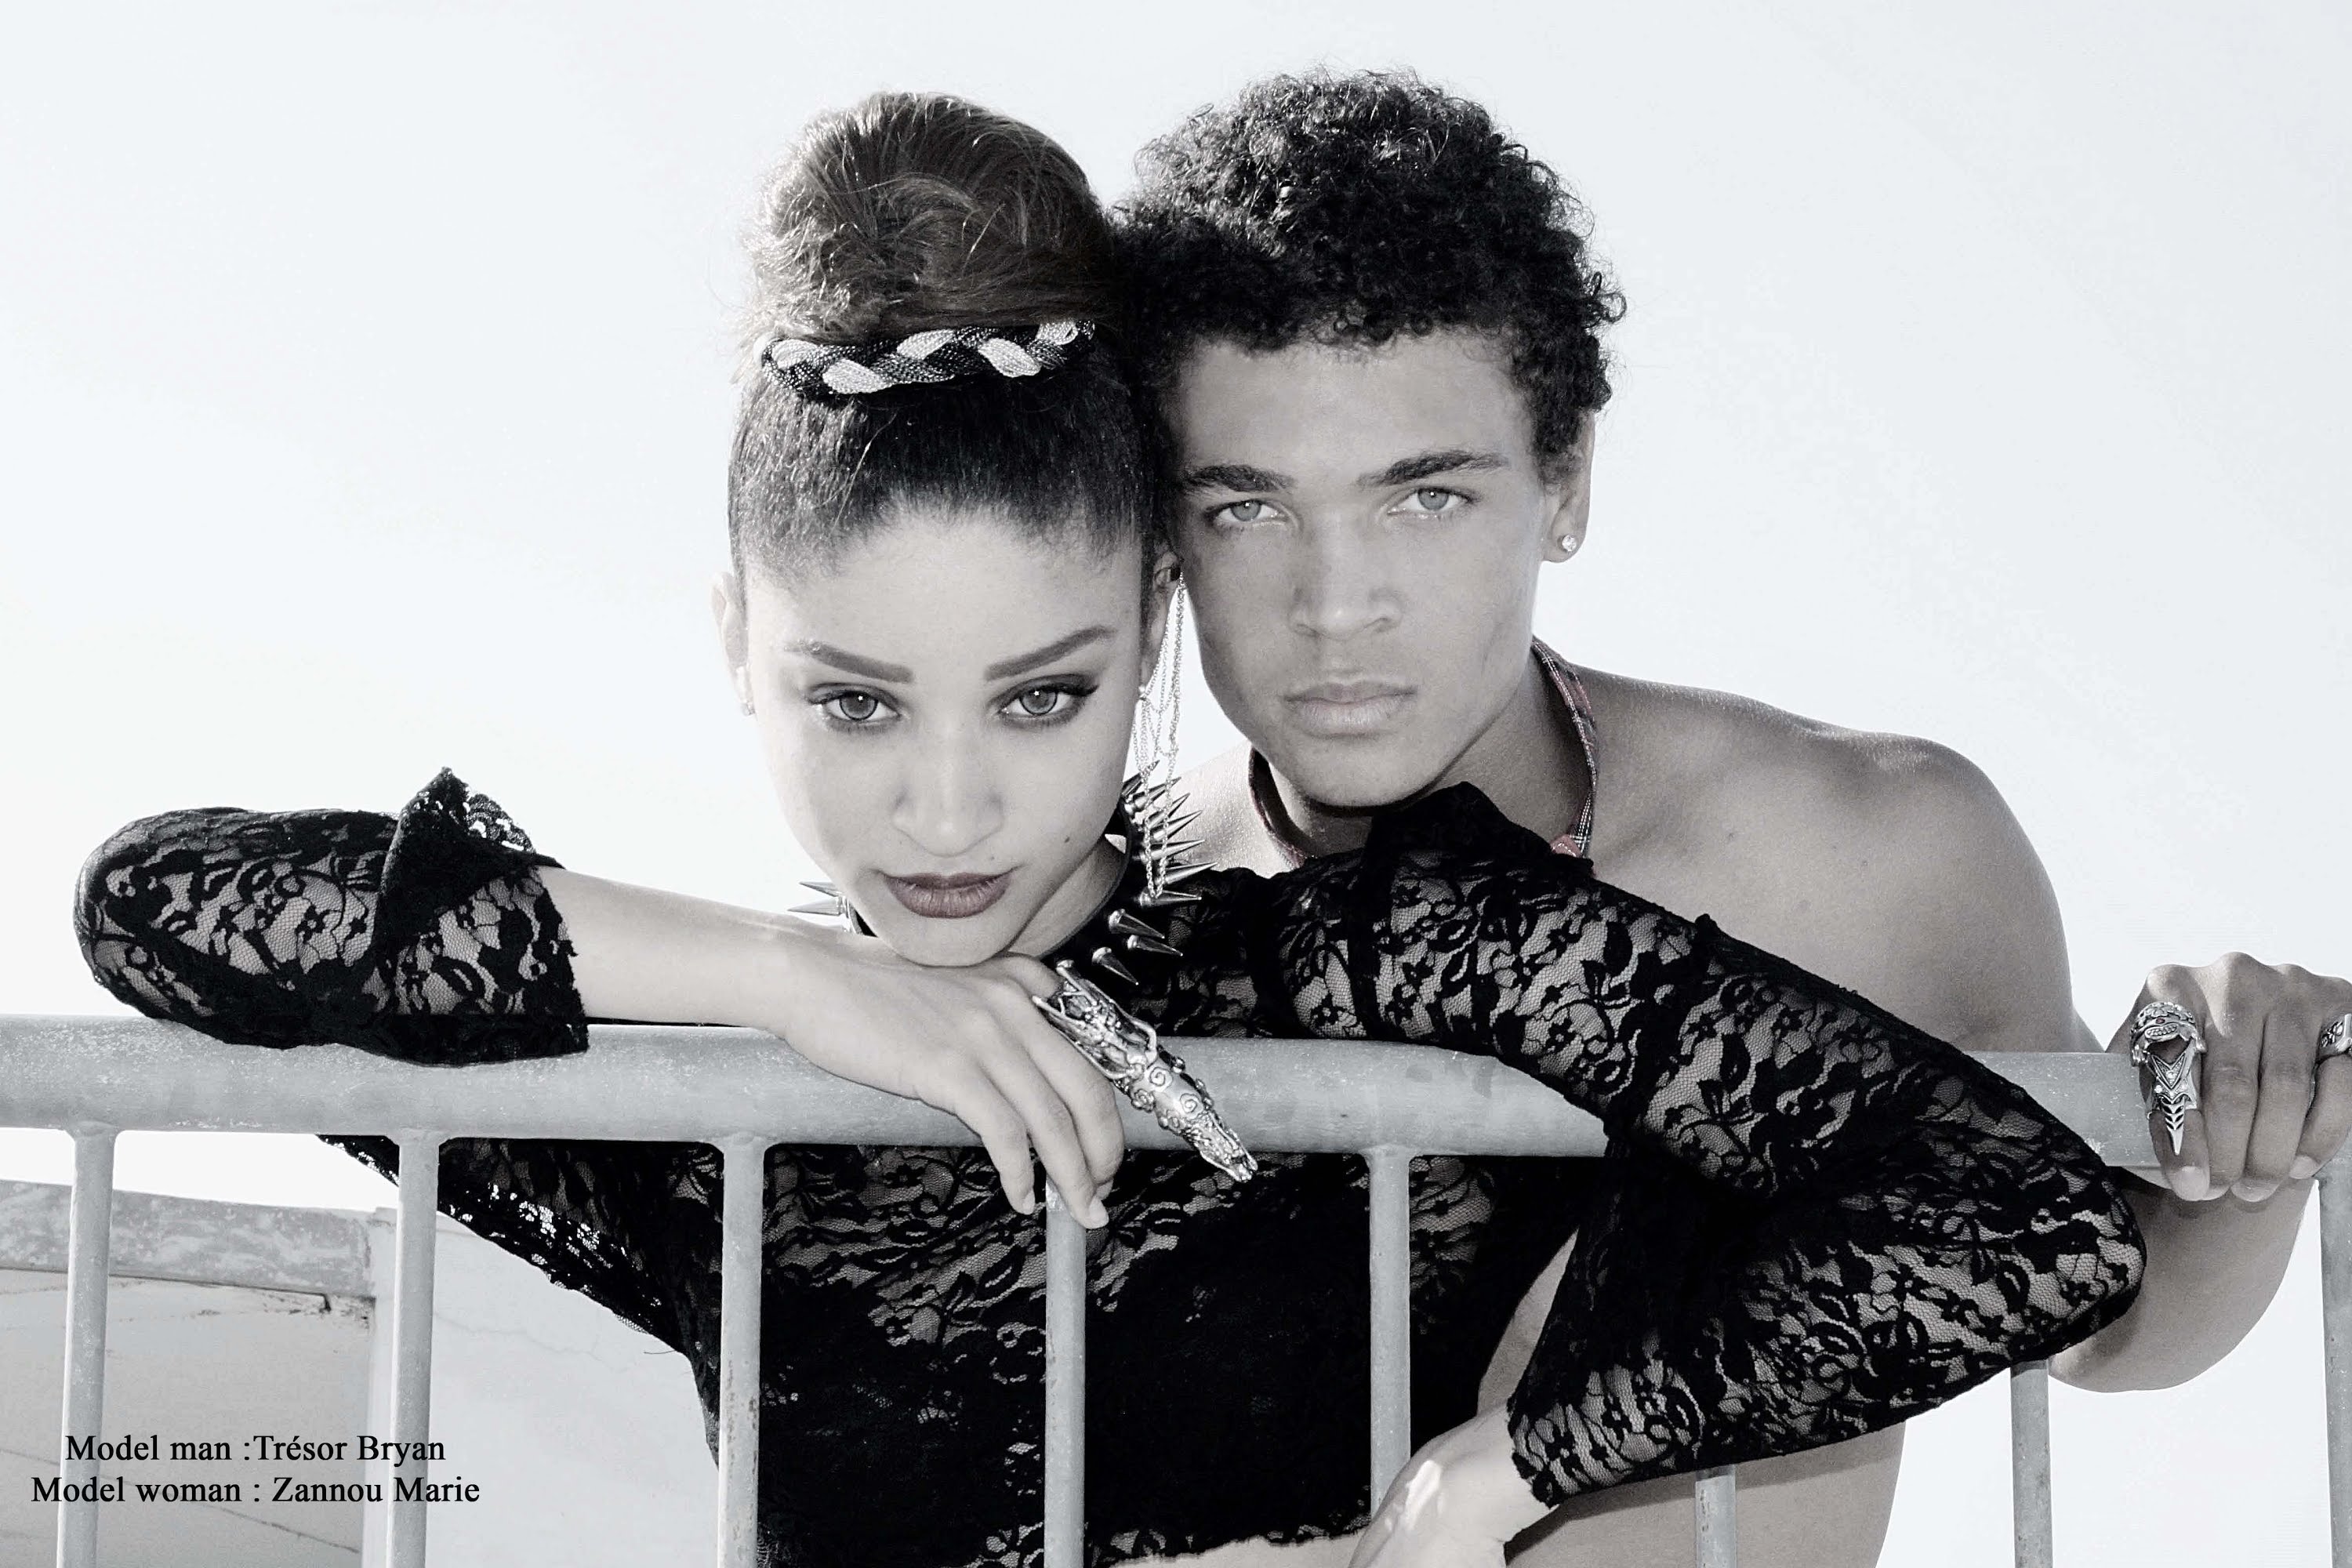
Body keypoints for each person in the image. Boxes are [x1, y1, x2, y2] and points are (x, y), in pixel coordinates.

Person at [68, 89, 2147, 1568]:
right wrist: (800, 986)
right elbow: (160, 908)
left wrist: (1505, 1475)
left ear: (1152, 629)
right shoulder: (714, 1137)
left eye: (1044, 695)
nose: (949, 806)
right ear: (737, 654)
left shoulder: (1383, 943)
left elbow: (2024, 1228)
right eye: (855, 702)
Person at [1115, 68, 2352, 1566]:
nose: (1337, 603)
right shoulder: (1106, 889)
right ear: (1162, 532)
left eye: (1425, 497)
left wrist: (2249, 1110)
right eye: (1247, 507)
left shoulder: (1867, 847)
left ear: (1566, 481)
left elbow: (2112, 1316)